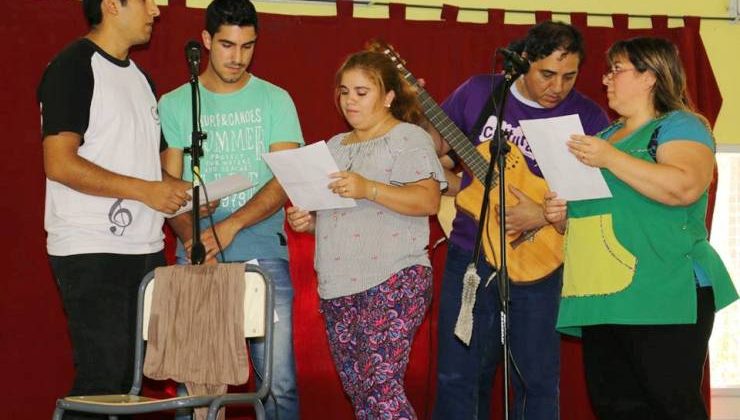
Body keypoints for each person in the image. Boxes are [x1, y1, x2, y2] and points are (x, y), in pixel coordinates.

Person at [544, 37, 738, 420]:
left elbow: (683, 186)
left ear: (650, 76)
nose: (605, 80)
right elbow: (602, 210)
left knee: (670, 406)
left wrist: (611, 159)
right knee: (615, 408)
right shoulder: (599, 140)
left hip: (663, 288)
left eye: (617, 69)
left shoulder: (679, 125)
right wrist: (562, 214)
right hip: (603, 291)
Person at [432, 21, 609, 419]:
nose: (558, 87)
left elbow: (599, 203)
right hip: (471, 253)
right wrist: (417, 121)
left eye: (569, 76)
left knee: (537, 378)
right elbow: (437, 145)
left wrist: (542, 216)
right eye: (547, 74)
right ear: (524, 61)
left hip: (543, 263)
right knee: (458, 374)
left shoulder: (588, 116)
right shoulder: (481, 91)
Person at [37, 0, 191, 418]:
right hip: (90, 247)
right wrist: (146, 190)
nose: (156, 10)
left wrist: (184, 199)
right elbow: (60, 162)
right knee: (103, 378)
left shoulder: (142, 79)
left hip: (144, 247)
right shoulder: (73, 66)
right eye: (145, 1)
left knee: (128, 380)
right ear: (111, 5)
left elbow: (153, 171)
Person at [158, 0, 303, 418]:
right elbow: (167, 189)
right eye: (226, 45)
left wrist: (232, 225)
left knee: (279, 384)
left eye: (247, 46)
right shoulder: (175, 103)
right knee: (195, 387)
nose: (237, 57)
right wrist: (191, 235)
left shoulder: (276, 100)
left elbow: (284, 178)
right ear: (205, 41)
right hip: (197, 253)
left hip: (261, 249)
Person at [286, 50, 446, 419]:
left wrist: (368, 188)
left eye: (361, 92)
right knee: (362, 392)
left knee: (379, 387)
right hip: (338, 285)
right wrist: (309, 222)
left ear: (389, 96)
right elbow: (338, 213)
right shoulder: (334, 146)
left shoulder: (409, 138)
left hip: (394, 277)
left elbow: (429, 199)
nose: (349, 101)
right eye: (344, 92)